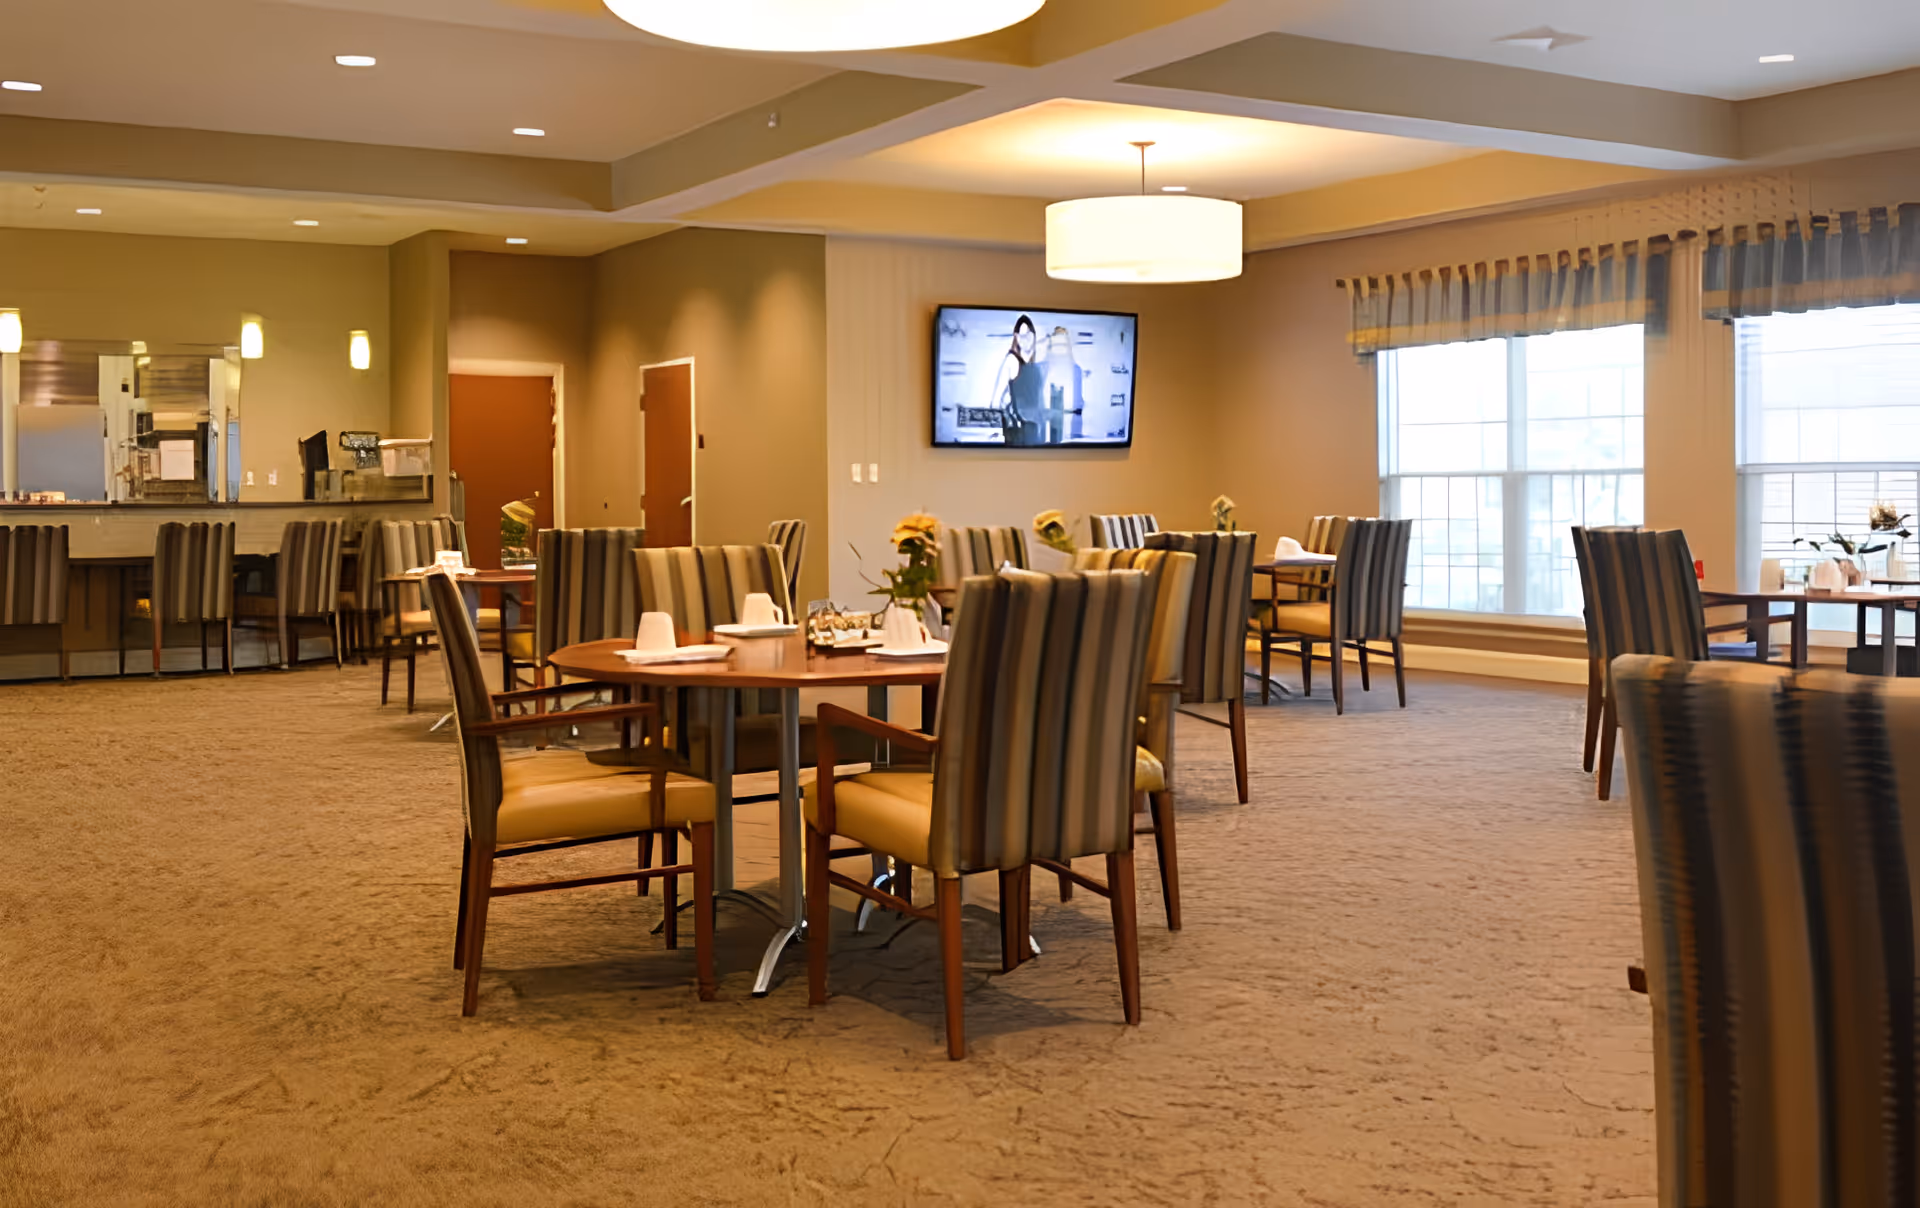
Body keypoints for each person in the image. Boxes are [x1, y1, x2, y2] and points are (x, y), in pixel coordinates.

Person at [986, 315, 1044, 446]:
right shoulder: (1011, 361)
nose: (1026, 339)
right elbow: (996, 401)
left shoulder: (1033, 366)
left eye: (1029, 334)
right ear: (1016, 338)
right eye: (1022, 336)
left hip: (1032, 430)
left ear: (1034, 336)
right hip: (1017, 431)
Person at [1038, 326, 1085, 444]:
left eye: (1062, 343)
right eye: (1056, 343)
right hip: (1043, 440)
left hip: (1071, 440)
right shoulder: (1041, 369)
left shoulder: (1076, 370)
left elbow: (1078, 407)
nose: (1059, 348)